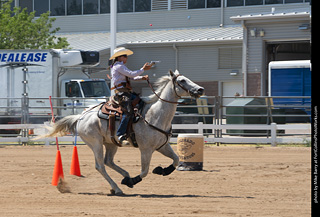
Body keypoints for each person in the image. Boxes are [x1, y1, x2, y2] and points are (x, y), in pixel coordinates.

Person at [109, 47, 152, 145]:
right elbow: (131, 74)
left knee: (141, 103)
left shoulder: (120, 66)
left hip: (126, 92)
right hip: (122, 93)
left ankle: (137, 130)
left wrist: (142, 77)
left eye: (126, 56)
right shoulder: (119, 66)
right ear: (119, 57)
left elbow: (131, 76)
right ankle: (120, 134)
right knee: (127, 111)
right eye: (124, 56)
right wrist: (142, 70)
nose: (126, 58)